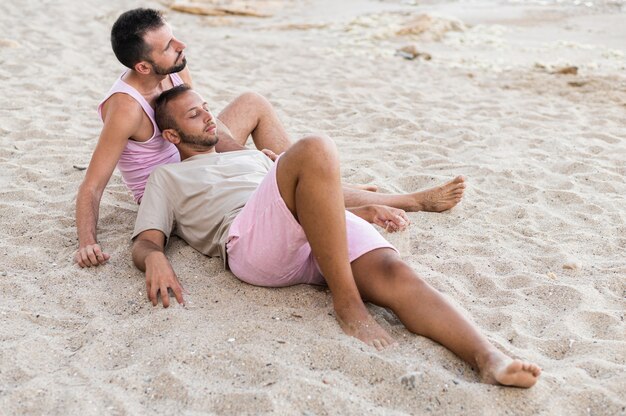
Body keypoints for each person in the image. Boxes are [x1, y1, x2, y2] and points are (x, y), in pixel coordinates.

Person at [131, 85, 541, 388]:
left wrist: (356, 209)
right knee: (314, 147)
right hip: (251, 244)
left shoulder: (251, 156)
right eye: (194, 116)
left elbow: (306, 196)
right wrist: (155, 258)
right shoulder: (167, 177)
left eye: (205, 108)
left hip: (307, 234)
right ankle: (348, 304)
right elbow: (146, 239)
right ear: (171, 136)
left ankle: (488, 359)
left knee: (394, 273)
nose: (209, 118)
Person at [74, 8, 466, 268]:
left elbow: (206, 123)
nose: (181, 47)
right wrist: (87, 242)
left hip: (197, 153)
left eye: (176, 38)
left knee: (252, 104)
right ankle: (405, 200)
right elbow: (93, 185)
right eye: (169, 46)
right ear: (143, 65)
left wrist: (250, 159)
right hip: (181, 186)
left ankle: (320, 181)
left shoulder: (174, 71)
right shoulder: (124, 108)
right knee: (278, 176)